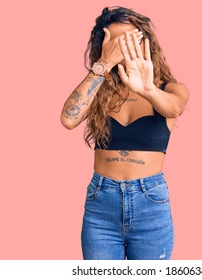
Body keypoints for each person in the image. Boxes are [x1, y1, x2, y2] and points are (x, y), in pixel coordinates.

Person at [60, 6, 189, 260]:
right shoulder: (99, 89)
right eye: (117, 43)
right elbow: (68, 118)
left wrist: (148, 90)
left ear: (146, 43)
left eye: (132, 39)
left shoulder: (170, 88)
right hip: (101, 203)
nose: (125, 49)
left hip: (149, 202)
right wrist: (104, 65)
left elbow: (174, 107)